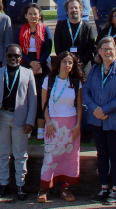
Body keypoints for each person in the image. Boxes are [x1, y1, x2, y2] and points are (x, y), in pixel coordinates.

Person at [83, 37, 116, 205]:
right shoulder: (95, 69)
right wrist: (95, 108)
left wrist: (105, 110)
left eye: (111, 49)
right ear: (99, 52)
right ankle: (104, 188)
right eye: (104, 49)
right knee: (102, 155)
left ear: (115, 51)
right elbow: (86, 91)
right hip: (97, 120)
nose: (108, 52)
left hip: (115, 120)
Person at [0, 43, 36, 201]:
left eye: (16, 56)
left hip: (20, 118)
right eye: (10, 55)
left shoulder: (28, 73)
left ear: (21, 58)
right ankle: (4, 183)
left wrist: (30, 121)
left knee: (20, 153)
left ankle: (20, 185)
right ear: (6, 56)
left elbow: (33, 100)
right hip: (2, 116)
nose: (13, 58)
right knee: (2, 153)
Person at [37, 51, 84, 203]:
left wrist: (78, 125)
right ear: (58, 64)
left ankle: (66, 188)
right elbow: (43, 104)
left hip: (71, 125)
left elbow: (79, 106)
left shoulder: (76, 82)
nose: (67, 65)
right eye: (64, 62)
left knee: (69, 157)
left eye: (70, 63)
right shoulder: (49, 80)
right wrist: (48, 123)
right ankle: (43, 188)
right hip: (53, 124)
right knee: (50, 156)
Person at [19, 3, 52, 140]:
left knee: (40, 98)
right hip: (26, 64)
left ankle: (40, 128)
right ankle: (28, 127)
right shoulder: (21, 30)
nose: (33, 16)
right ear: (26, 16)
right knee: (26, 97)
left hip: (41, 66)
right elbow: (18, 49)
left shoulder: (45, 29)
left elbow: (48, 49)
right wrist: (29, 63)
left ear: (40, 15)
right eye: (30, 13)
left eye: (35, 13)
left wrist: (38, 65)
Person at [54, 0, 99, 71]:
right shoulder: (60, 26)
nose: (74, 10)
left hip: (83, 66)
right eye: (71, 8)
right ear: (67, 11)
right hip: (65, 66)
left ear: (81, 10)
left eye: (76, 8)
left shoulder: (88, 27)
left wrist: (80, 63)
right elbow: (58, 46)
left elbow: (91, 49)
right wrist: (66, 61)